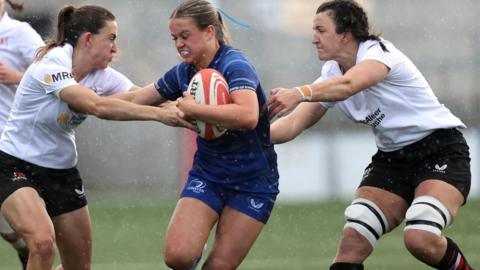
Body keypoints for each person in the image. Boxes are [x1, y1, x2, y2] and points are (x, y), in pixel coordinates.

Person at [268, 0, 474, 269]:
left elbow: (350, 85)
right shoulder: (331, 74)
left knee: (420, 237)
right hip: (392, 159)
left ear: (345, 33)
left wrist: (298, 92)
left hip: (440, 148)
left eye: (320, 30)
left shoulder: (378, 53)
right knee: (353, 238)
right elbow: (293, 124)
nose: (313, 39)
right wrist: (244, 133)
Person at [0, 4, 193, 270]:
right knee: (43, 244)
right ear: (88, 39)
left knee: (79, 267)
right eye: (111, 38)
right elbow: (96, 106)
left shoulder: (102, 76)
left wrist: (189, 109)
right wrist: (159, 116)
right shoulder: (52, 63)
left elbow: (140, 96)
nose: (115, 47)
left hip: (61, 172)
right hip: (14, 165)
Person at [119, 0, 279, 269]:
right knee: (177, 256)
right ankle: (195, 240)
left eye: (185, 36)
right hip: (209, 174)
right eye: (174, 38)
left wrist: (195, 109)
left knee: (218, 266)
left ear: (209, 32)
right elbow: (136, 99)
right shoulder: (184, 71)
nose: (179, 44)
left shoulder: (235, 65)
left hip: (254, 180)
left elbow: (248, 116)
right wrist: (87, 102)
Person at [0, 0, 44, 269]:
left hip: (8, 141)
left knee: (19, 227)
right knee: (8, 231)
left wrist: (18, 76)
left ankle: (29, 248)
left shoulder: (20, 33)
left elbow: (53, 72)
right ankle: (22, 247)